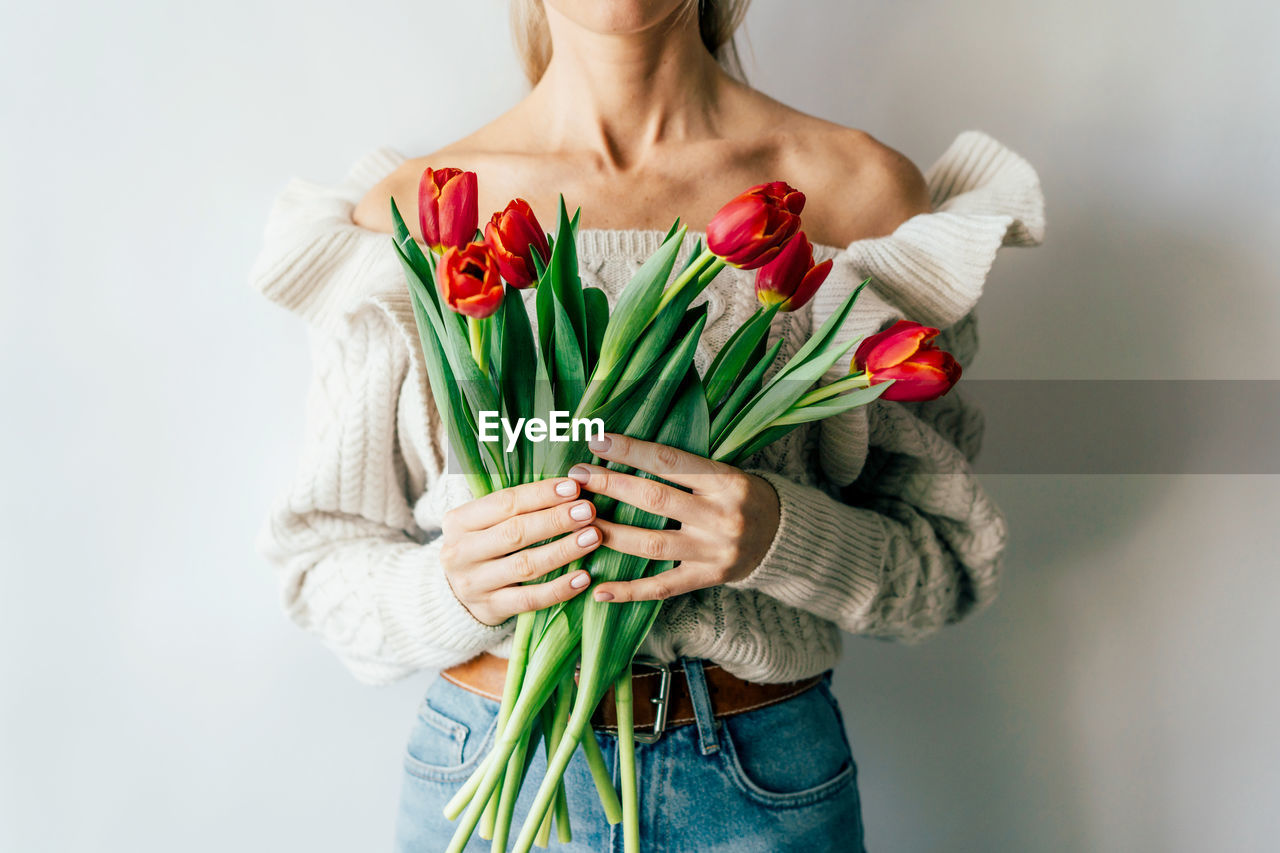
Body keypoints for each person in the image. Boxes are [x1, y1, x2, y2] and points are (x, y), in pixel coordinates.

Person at [250, 1, 1045, 850]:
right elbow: (318, 565)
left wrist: (780, 533)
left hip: (759, 783)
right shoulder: (417, 211)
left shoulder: (857, 193)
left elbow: (946, 565)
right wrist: (452, 587)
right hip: (494, 777)